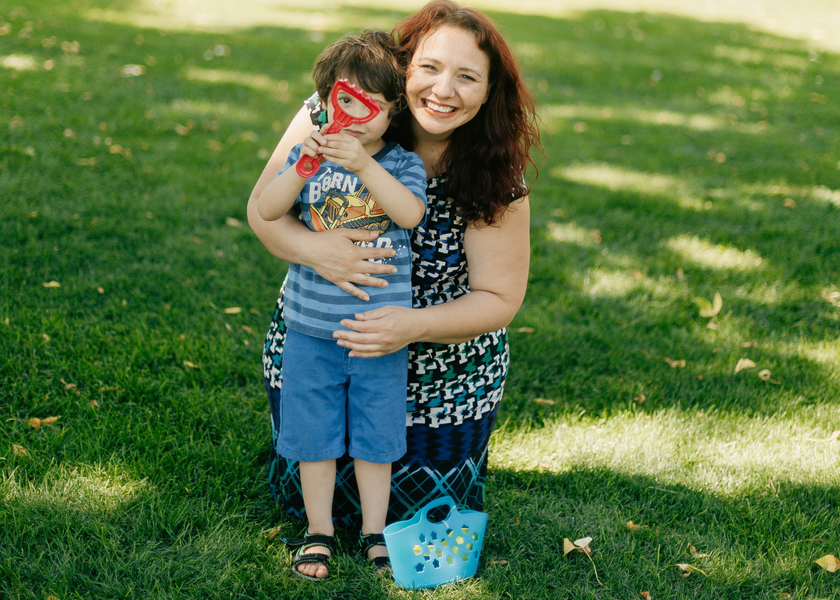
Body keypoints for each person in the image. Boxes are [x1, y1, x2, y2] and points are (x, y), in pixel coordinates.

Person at [247, 0, 540, 581]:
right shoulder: (343, 113)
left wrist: (409, 326)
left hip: (442, 361)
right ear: (401, 71)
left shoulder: (494, 171)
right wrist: (316, 251)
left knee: (413, 500)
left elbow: (500, 299)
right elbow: (263, 213)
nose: (443, 90)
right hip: (323, 329)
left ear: (488, 93)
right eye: (429, 68)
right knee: (309, 477)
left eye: (466, 77)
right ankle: (318, 528)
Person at [257, 30, 428, 581]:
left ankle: (375, 533)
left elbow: (408, 215)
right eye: (344, 101)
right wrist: (302, 165)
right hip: (310, 327)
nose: (355, 117)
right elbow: (266, 207)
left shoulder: (400, 165)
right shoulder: (312, 157)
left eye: (371, 107)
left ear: (392, 112)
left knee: (377, 437)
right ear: (325, 102)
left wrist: (363, 165)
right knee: (315, 436)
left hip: (378, 332)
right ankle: (319, 531)